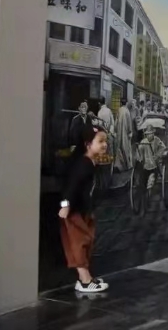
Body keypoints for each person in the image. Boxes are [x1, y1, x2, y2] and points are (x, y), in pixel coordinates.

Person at [58, 125, 110, 293]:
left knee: (85, 242)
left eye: (105, 141)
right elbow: (71, 186)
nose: (104, 145)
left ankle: (84, 278)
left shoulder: (90, 163)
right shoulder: (83, 164)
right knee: (79, 243)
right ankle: (85, 280)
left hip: (83, 211)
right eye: (100, 141)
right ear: (88, 144)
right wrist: (65, 206)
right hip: (74, 212)